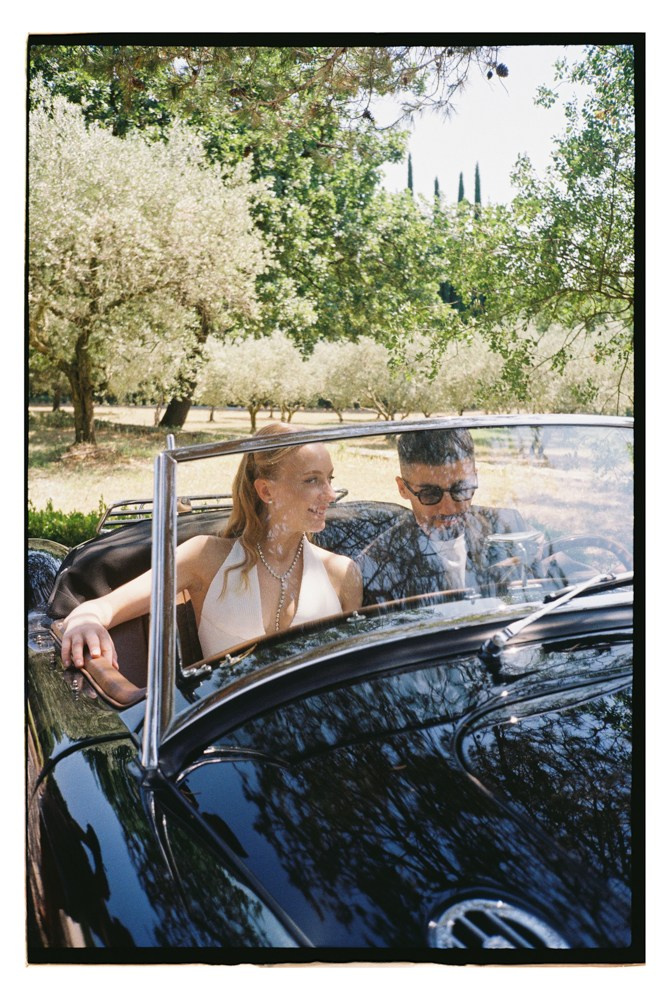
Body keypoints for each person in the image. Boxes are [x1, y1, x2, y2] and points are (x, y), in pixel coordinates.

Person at [61, 423, 363, 669]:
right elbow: (103, 608)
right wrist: (86, 622)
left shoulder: (341, 574)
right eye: (312, 480)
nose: (330, 494)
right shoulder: (204, 557)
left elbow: (354, 676)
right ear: (266, 490)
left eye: (329, 479)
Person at [357, 427, 538, 606]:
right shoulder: (378, 564)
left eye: (461, 489)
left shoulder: (508, 525)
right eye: (429, 494)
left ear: (475, 478)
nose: (448, 508)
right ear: (402, 488)